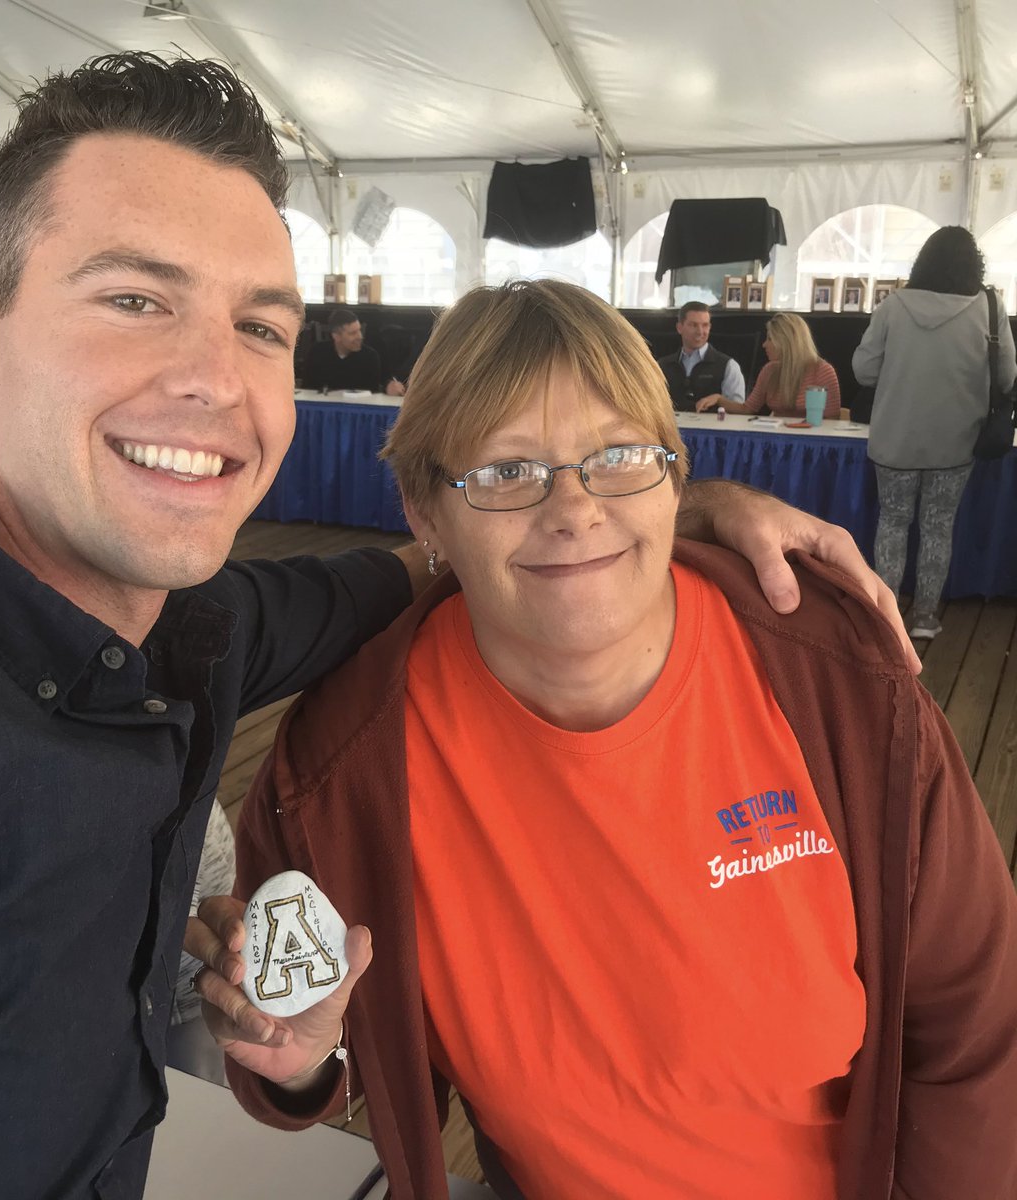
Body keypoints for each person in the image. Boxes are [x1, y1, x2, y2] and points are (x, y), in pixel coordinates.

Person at [0, 53, 910, 1200]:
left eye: (260, 327)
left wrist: (618, 504)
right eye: (134, 300)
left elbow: (405, 566)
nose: (212, 378)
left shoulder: (196, 632)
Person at [190, 280, 1017, 1200]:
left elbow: (978, 1035)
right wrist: (303, 1057)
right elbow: (330, 1060)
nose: (574, 508)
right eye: (507, 472)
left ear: (675, 475)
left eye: (619, 455)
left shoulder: (840, 687)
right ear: (424, 511)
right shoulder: (342, 771)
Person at [853, 226, 1017, 641]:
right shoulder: (990, 307)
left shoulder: (894, 307)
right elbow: (1009, 375)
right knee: (938, 527)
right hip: (956, 442)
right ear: (973, 264)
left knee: (892, 522)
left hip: (894, 440)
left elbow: (864, 370)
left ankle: (884, 617)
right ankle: (925, 617)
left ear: (921, 262)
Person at [701, 312, 840, 420]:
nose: (764, 344)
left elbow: (833, 419)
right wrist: (719, 399)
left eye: (770, 339)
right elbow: (748, 409)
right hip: (777, 440)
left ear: (785, 342)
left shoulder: (822, 371)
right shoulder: (769, 370)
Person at [657, 300, 746, 412]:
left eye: (705, 325)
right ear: (679, 328)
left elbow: (738, 410)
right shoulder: (662, 366)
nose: (700, 331)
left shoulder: (728, 366)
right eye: (693, 325)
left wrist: (719, 400)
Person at [301, 307, 383, 392]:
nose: (360, 337)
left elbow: (373, 395)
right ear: (336, 336)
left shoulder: (370, 357)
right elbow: (307, 389)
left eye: (359, 331)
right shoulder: (317, 353)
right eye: (353, 333)